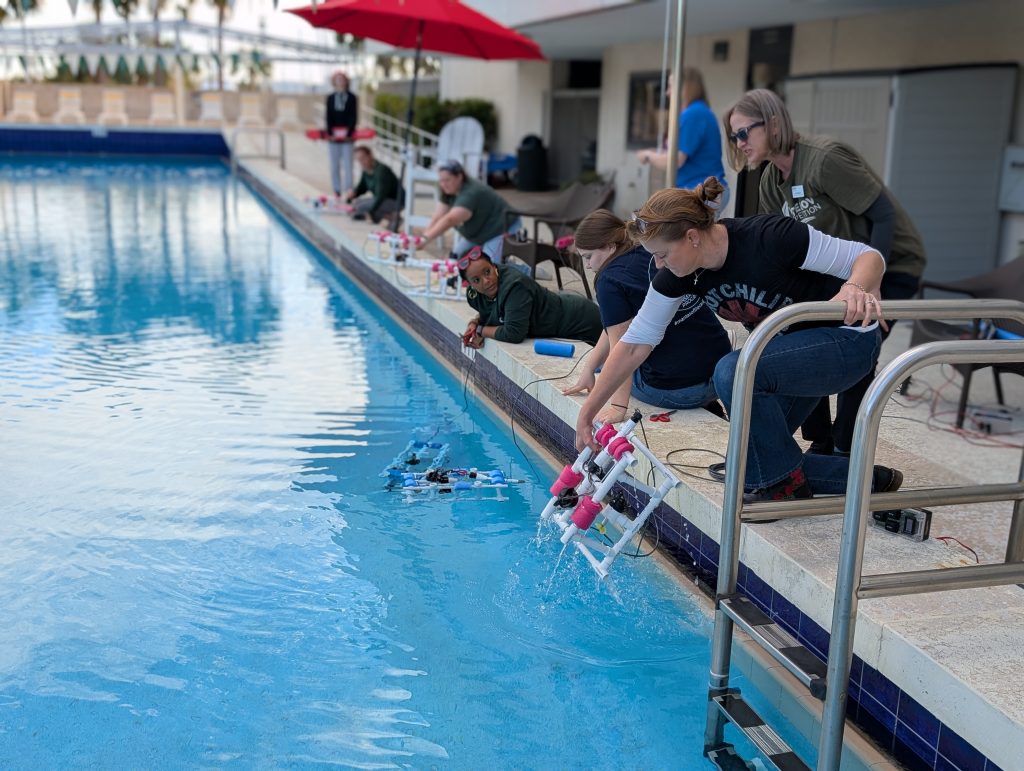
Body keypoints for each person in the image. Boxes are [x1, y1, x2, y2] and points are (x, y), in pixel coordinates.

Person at [572, 178, 903, 503]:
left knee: (732, 371)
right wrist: (589, 412)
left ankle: (785, 489)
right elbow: (633, 345)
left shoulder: (769, 237)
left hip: (845, 341)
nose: (657, 264)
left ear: (692, 238)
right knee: (746, 463)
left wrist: (855, 287)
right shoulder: (680, 274)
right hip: (783, 361)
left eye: (662, 254)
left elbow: (868, 257)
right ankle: (864, 480)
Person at [724, 88, 927, 455]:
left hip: (890, 262)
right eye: (733, 136)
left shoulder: (824, 159)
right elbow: (776, 247)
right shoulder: (771, 180)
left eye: (743, 133)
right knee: (799, 334)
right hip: (838, 271)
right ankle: (820, 439)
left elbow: (883, 215)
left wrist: (871, 283)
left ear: (771, 123)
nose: (738, 143)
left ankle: (847, 449)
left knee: (859, 344)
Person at [562, 209, 732, 424]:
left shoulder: (609, 281)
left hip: (678, 391)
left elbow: (621, 347)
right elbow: (619, 326)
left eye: (588, 257)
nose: (587, 265)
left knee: (620, 368)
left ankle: (695, 401)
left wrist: (617, 406)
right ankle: (706, 404)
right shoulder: (654, 254)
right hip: (720, 375)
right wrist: (588, 368)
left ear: (610, 246)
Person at [459, 247, 602, 349]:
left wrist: (480, 330)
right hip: (569, 318)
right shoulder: (475, 294)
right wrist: (475, 323)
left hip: (583, 321)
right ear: (469, 284)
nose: (486, 281)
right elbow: (492, 312)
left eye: (487, 271)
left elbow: (514, 333)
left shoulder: (515, 286)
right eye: (476, 280)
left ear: (493, 265)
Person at [638, 68, 729, 207]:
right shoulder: (699, 111)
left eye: (670, 86)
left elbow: (675, 160)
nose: (667, 92)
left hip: (700, 192)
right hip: (704, 192)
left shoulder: (693, 114)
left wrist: (648, 155)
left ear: (685, 87)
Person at [420, 160, 521, 261]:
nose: (443, 184)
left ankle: (524, 272)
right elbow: (438, 216)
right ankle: (505, 263)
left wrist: (425, 239)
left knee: (489, 266)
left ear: (459, 176)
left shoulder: (470, 193)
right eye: (441, 180)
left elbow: (450, 219)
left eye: (447, 180)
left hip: (502, 228)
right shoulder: (448, 189)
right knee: (455, 259)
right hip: (479, 233)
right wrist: (422, 238)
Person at [344, 146, 400, 224]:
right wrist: (353, 194)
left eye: (363, 158)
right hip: (382, 199)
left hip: (394, 200)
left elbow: (381, 196)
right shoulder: (366, 170)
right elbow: (362, 187)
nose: (362, 162)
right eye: (359, 160)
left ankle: (392, 217)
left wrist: (370, 211)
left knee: (361, 207)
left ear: (370, 155)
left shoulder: (381, 171)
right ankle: (386, 216)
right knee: (357, 204)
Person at [326, 71, 358, 198]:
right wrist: (330, 133)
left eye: (342, 79)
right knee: (334, 164)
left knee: (348, 164)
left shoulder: (352, 97)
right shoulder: (330, 98)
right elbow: (328, 116)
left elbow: (353, 116)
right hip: (333, 137)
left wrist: (349, 132)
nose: (340, 81)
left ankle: (349, 189)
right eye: (338, 79)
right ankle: (337, 189)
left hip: (347, 137)